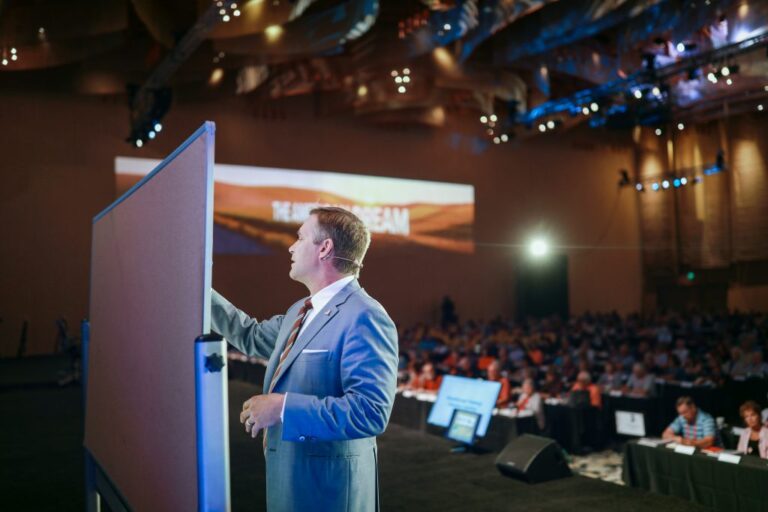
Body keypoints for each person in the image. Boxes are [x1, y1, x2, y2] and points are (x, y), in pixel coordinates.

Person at [211, 207, 399, 511]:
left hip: (330, 494)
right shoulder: (300, 310)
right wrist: (198, 288)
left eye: (300, 237)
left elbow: (370, 411)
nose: (291, 246)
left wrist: (283, 407)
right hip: (292, 483)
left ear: (324, 248)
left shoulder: (365, 315)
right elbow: (251, 336)